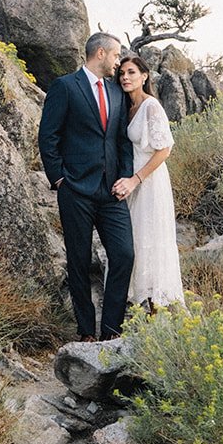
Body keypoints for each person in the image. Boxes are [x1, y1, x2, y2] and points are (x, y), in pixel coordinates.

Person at [37, 32, 135, 340]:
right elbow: (48, 136)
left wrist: (127, 177)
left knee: (124, 254)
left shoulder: (117, 92)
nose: (119, 63)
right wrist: (59, 178)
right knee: (78, 260)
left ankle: (110, 331)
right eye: (117, 56)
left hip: (112, 191)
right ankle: (86, 331)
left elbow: (122, 140)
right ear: (101, 53)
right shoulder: (65, 87)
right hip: (75, 189)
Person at [111, 53, 185, 308]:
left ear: (144, 76)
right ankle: (137, 299)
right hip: (132, 178)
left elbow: (164, 150)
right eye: (122, 73)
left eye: (131, 72)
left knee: (150, 235)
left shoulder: (151, 106)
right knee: (134, 237)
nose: (125, 77)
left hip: (149, 179)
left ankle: (154, 301)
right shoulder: (126, 105)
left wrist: (136, 179)